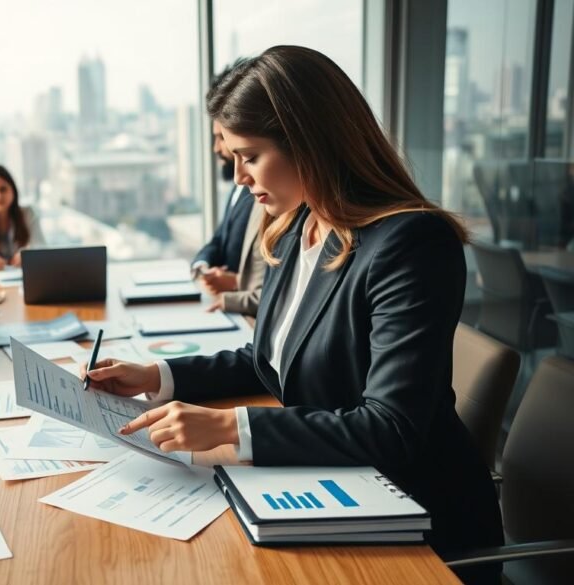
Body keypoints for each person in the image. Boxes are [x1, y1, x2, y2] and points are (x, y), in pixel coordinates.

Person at [85, 47, 501, 583]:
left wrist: (227, 425)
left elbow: (391, 429)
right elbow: (268, 358)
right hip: (328, 489)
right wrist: (157, 376)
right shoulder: (297, 224)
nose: (237, 176)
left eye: (249, 155)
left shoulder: (411, 243)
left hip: (411, 524)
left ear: (309, 141)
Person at [192, 69, 267, 316]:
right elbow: (219, 239)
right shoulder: (241, 188)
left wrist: (234, 283)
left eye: (249, 156)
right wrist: (202, 266)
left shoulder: (266, 195)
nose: (239, 176)